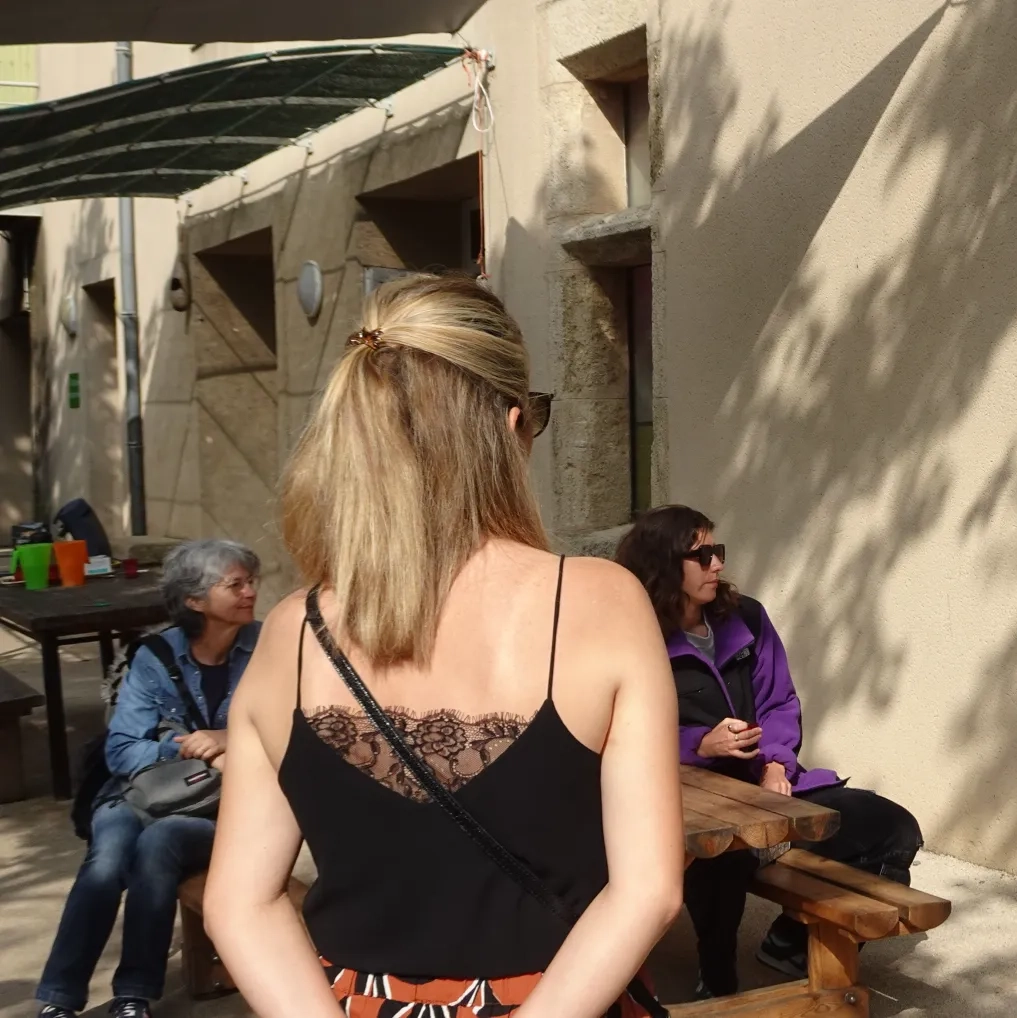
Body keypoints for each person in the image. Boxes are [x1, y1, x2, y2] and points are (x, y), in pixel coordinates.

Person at [202, 275, 684, 1018]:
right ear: (511, 426)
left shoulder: (292, 634)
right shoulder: (597, 600)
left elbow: (239, 904)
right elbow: (647, 890)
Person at [614, 505, 924, 999]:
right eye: (702, 556)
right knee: (721, 854)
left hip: (769, 783)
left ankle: (792, 942)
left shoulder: (747, 619)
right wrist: (699, 744)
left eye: (717, 551)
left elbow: (780, 701)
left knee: (892, 829)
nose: (717, 564)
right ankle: (717, 975)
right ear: (664, 564)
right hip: (692, 799)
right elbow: (625, 729)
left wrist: (777, 764)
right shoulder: (637, 637)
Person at [36, 538, 263, 1018]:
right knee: (108, 856)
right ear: (194, 600)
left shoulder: (267, 649)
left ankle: (133, 995)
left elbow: (291, 728)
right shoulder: (154, 655)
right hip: (141, 793)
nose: (250, 593)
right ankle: (58, 1000)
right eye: (235, 584)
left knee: (161, 842)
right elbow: (122, 750)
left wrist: (229, 739)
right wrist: (191, 748)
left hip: (227, 807)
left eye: (251, 582)